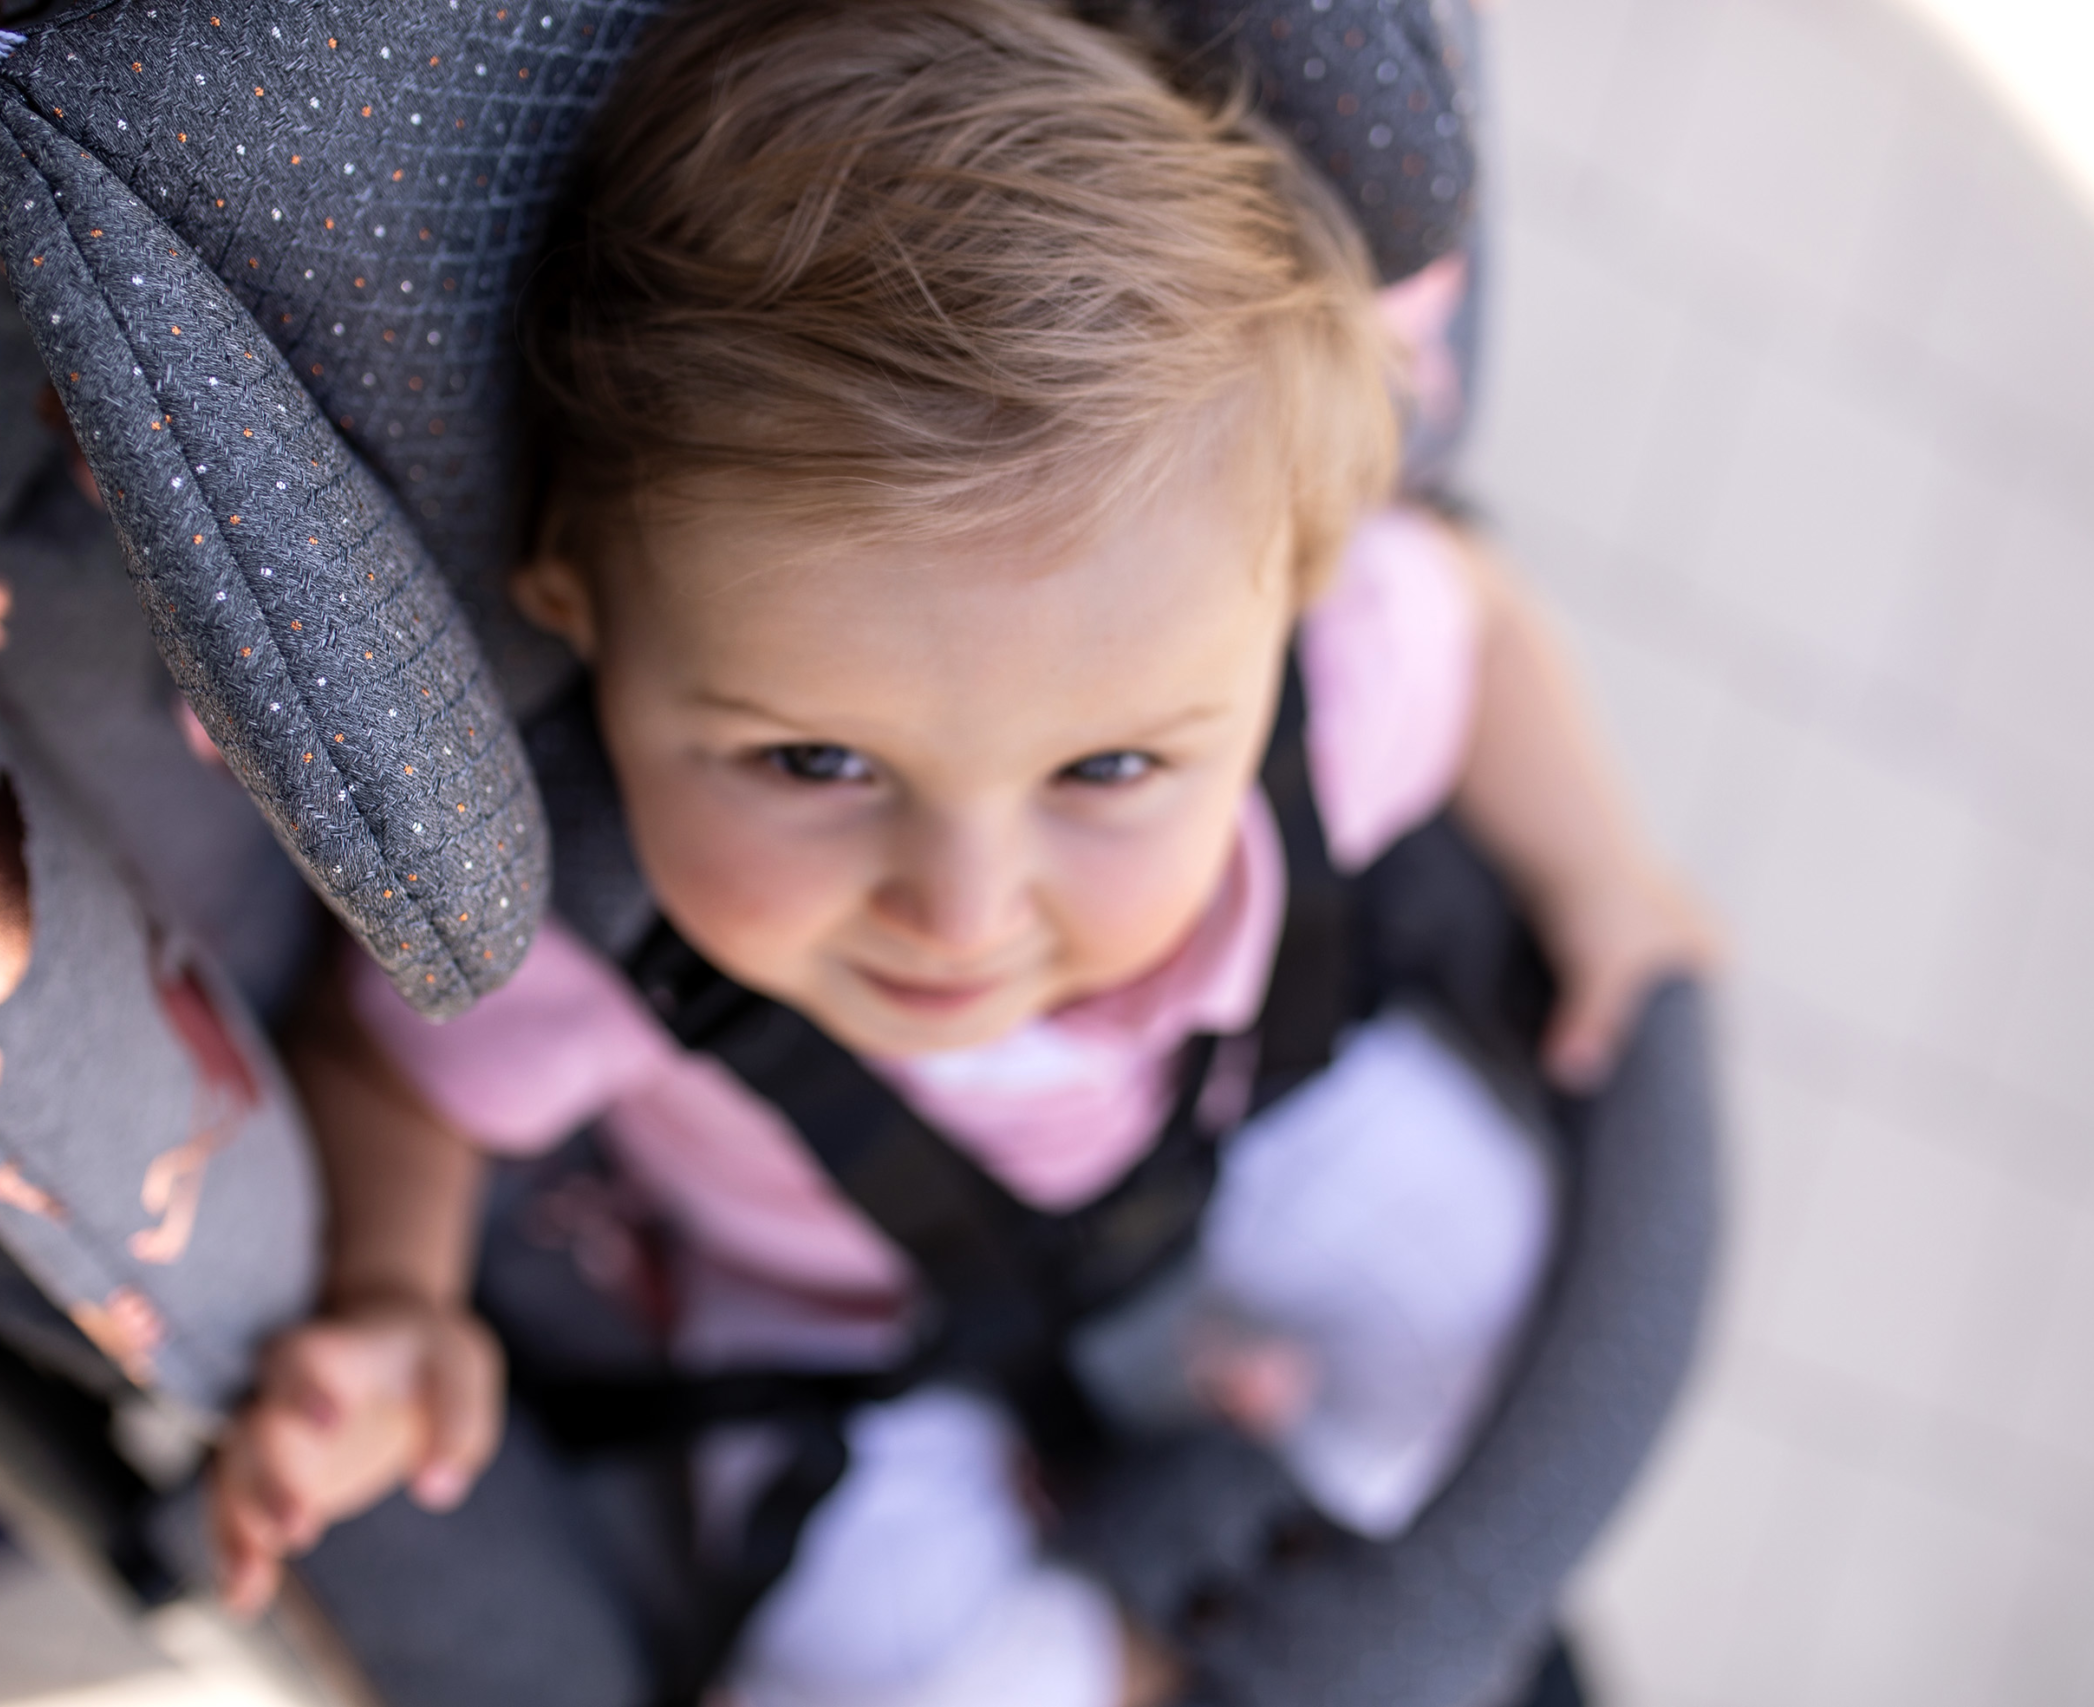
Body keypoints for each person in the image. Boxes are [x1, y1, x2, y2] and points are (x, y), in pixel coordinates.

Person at [208, 2, 1713, 1702]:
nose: (966, 910)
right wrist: (402, 1293)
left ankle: (1291, 1557)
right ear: (583, 614)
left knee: (1508, 1328)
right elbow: (398, 1075)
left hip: (1257, 1114)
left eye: (1114, 766)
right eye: (818, 759)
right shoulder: (589, 914)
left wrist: (1602, 875)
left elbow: (1478, 621)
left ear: (1283, 610)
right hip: (840, 1329)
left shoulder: (1327, 671)